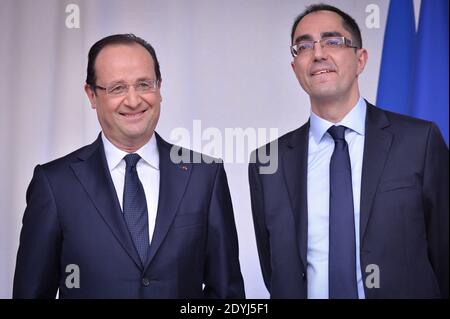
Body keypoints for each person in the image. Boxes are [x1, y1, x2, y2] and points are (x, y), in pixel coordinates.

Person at [13, 34, 245, 299]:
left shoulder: (205, 176)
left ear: (160, 87)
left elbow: (227, 295)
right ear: (91, 95)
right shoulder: (55, 184)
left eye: (144, 84)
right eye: (117, 88)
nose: (134, 101)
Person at [249, 4, 448, 299]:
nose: (317, 54)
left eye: (332, 41)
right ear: (295, 68)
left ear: (360, 59)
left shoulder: (419, 142)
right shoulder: (268, 163)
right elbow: (274, 270)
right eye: (304, 46)